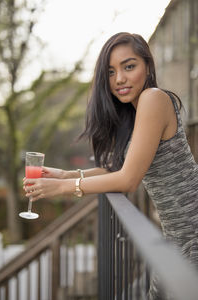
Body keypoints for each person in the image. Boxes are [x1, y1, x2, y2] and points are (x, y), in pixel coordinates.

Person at [23, 32, 198, 299]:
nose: (119, 79)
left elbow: (128, 180)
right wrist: (67, 174)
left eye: (129, 66)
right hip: (177, 234)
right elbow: (120, 168)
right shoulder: (135, 111)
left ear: (148, 66)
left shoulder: (153, 98)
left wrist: (63, 188)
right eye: (111, 72)